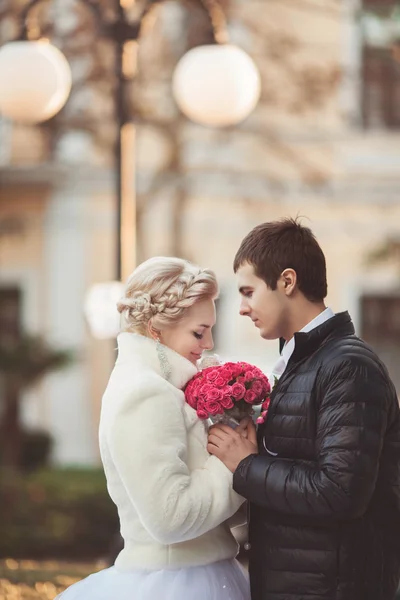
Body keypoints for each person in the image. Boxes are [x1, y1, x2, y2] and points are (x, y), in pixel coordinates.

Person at [207, 218, 400, 600]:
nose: (243, 308)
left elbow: (339, 492)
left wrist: (247, 465)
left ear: (288, 281)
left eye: (249, 292)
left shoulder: (347, 366)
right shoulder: (306, 363)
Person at [56, 257, 250, 600]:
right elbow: (169, 518)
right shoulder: (145, 393)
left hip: (201, 573)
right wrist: (232, 464)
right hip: (177, 583)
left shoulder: (164, 389)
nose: (208, 345)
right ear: (155, 330)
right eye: (199, 332)